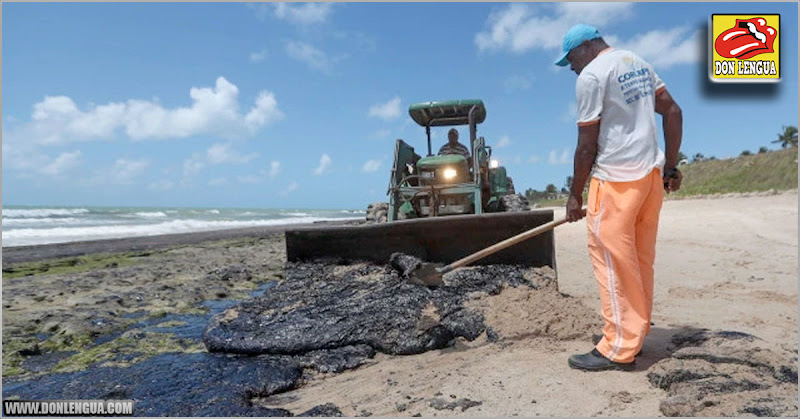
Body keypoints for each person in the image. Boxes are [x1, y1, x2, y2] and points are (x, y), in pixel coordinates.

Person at [555, 24, 683, 371]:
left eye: (570, 60)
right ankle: (635, 335)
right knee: (638, 262)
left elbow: (586, 145)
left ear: (584, 47)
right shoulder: (638, 62)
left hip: (615, 181)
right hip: (649, 181)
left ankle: (616, 346)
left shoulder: (592, 76)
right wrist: (670, 167)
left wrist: (574, 195)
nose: (571, 68)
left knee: (611, 263)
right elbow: (673, 111)